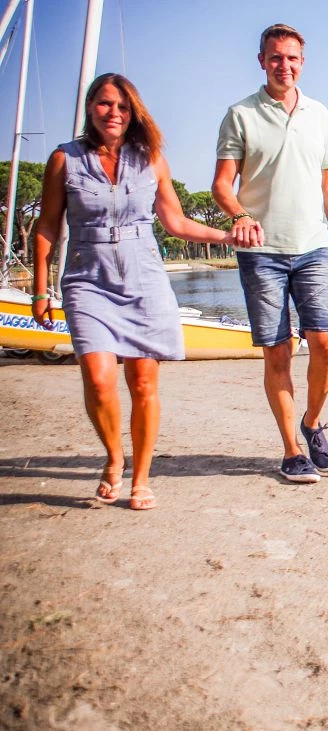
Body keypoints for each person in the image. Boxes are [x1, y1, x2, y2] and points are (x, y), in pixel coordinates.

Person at [30, 73, 236, 510]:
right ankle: (113, 457)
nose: (114, 113)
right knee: (99, 380)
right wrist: (39, 288)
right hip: (87, 277)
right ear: (90, 107)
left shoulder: (152, 159)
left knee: (143, 381)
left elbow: (176, 223)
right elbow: (48, 225)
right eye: (105, 104)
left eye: (123, 107)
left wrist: (225, 237)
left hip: (144, 276)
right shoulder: (64, 160)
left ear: (134, 112)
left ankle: (141, 477)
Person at [212, 23, 328, 484]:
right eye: (275, 57)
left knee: (326, 344)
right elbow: (221, 186)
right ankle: (291, 450)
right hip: (261, 253)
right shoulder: (240, 114)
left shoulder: (320, 114)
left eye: (291, 57)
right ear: (262, 61)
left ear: (301, 62)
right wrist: (240, 217)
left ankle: (310, 423)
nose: (283, 65)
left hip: (313, 248)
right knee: (279, 352)